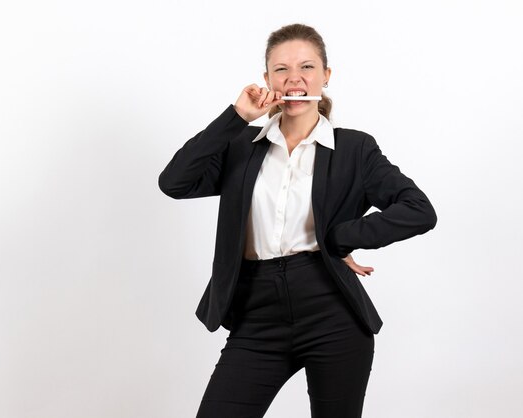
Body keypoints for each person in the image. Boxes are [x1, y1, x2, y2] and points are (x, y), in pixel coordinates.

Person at [158, 23, 436, 418]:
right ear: (267, 79)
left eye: (306, 67)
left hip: (331, 311)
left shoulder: (354, 149)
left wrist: (338, 238)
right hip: (256, 316)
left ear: (326, 76)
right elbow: (174, 182)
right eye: (281, 70)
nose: (294, 79)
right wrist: (237, 116)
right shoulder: (242, 146)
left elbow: (418, 210)